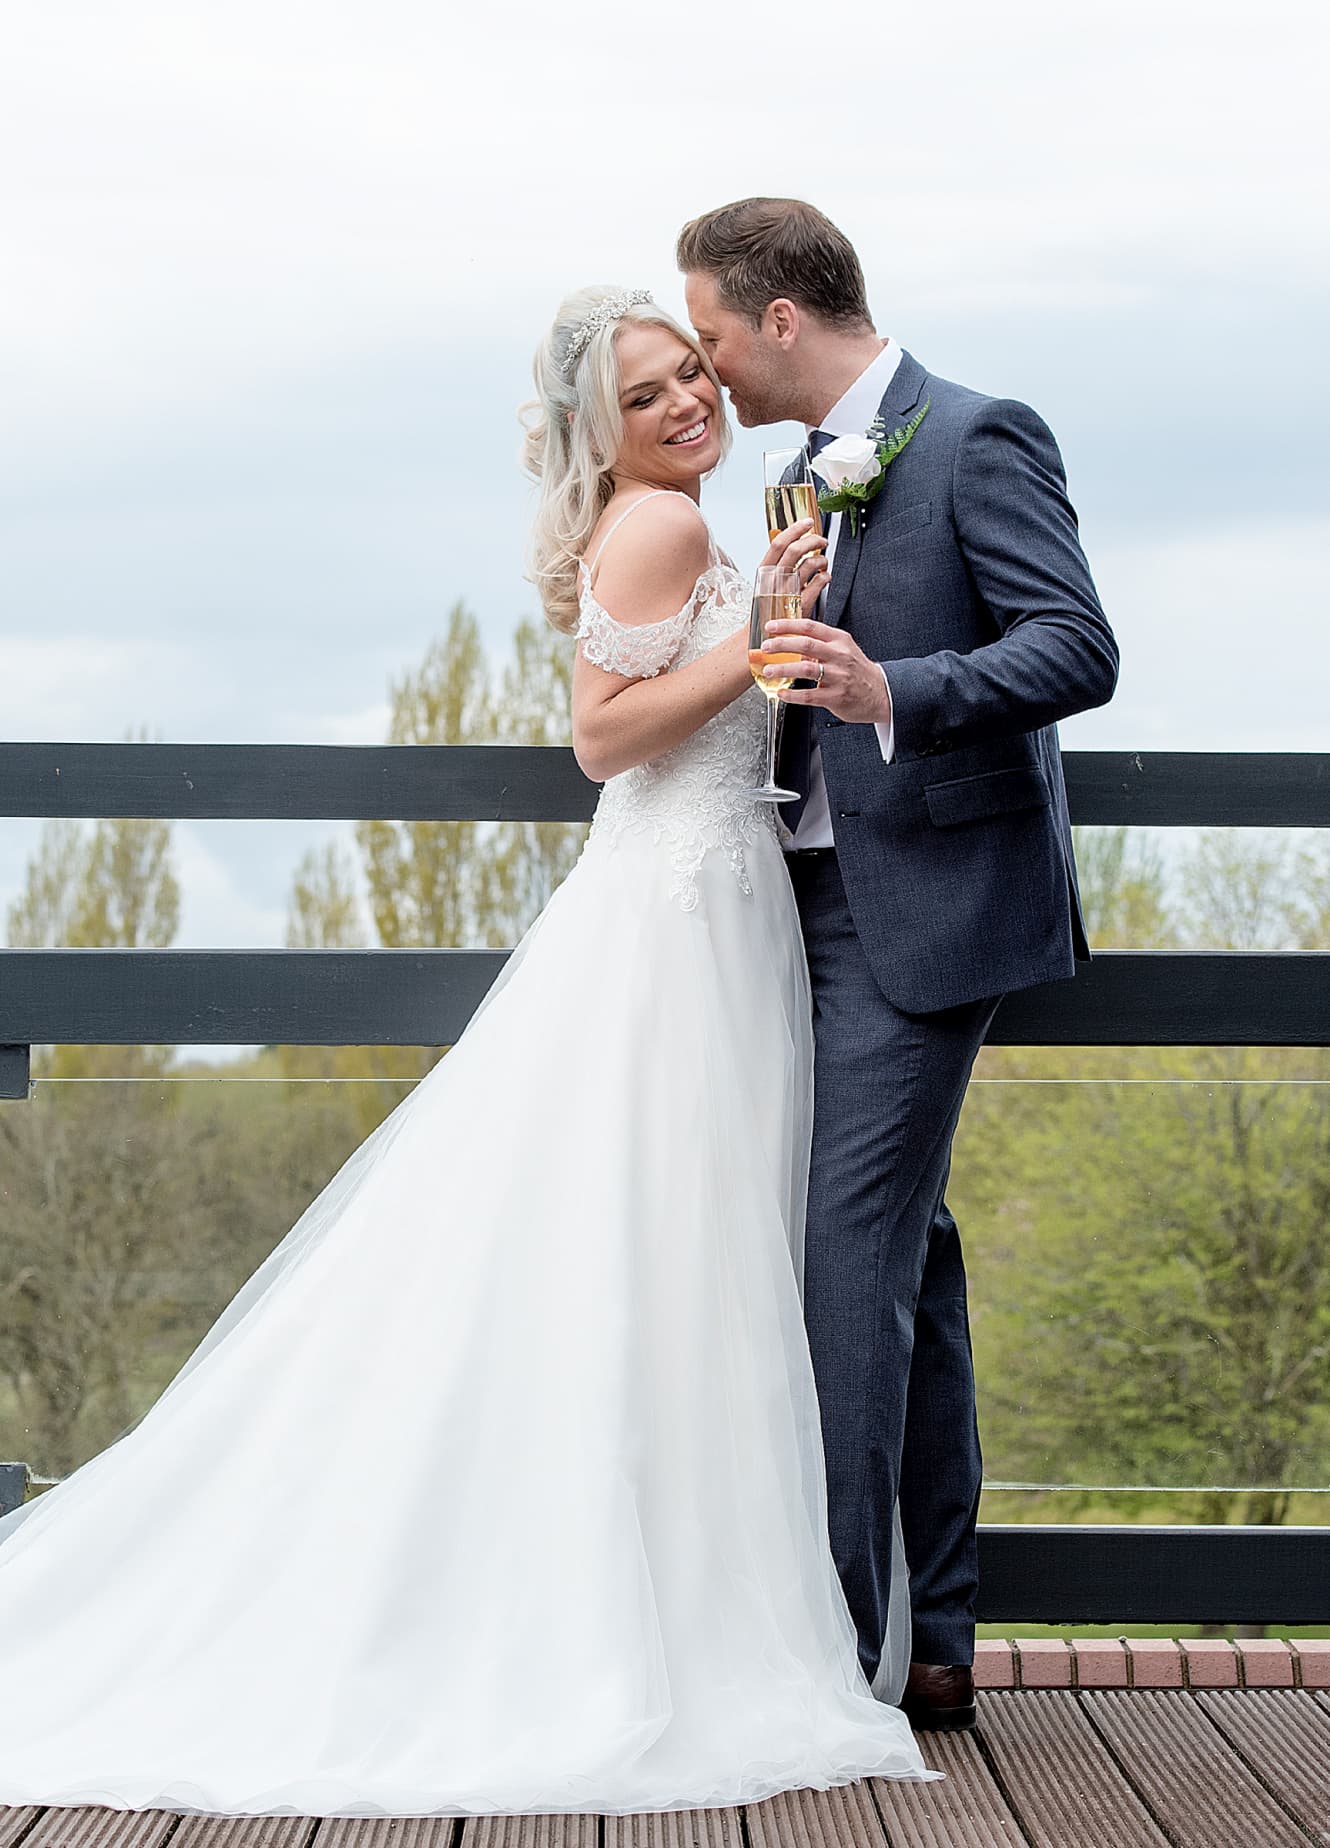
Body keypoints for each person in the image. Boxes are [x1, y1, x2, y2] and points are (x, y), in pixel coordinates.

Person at [0, 285, 932, 1818]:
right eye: (647, 396)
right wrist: (763, 637)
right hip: (674, 914)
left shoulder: (689, 516)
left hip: (715, 897)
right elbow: (601, 736)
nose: (687, 404)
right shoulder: (664, 528)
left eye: (691, 373)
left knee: (662, 1254)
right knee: (660, 1245)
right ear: (601, 433)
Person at [678, 199, 1120, 1731]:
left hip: (917, 918)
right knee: (900, 1266)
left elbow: (1076, 646)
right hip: (784, 913)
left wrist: (892, 685)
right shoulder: (804, 475)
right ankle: (927, 1642)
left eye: (718, 340)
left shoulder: (980, 435)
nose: (714, 376)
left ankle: (831, 1662)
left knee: (840, 1271)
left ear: (778, 318)